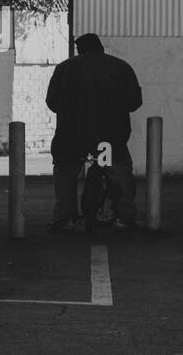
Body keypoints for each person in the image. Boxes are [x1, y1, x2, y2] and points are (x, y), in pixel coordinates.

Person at [45, 32, 143, 232]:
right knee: (118, 172)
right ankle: (123, 218)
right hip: (107, 139)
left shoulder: (64, 69)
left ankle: (65, 220)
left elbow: (52, 103)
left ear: (79, 50)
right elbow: (134, 102)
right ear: (100, 48)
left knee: (67, 175)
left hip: (72, 138)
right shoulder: (120, 67)